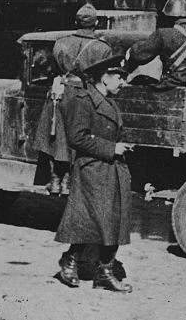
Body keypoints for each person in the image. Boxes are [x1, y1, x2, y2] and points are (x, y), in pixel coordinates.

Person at [53, 55, 134, 292]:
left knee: (113, 221)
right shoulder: (84, 100)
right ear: (104, 77)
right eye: (119, 77)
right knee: (90, 221)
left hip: (111, 167)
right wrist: (111, 148)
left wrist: (120, 146)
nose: (122, 82)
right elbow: (76, 137)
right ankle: (70, 261)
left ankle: (104, 273)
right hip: (92, 169)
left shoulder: (108, 101)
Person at [31, 3, 112, 195]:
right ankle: (68, 180)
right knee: (77, 137)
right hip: (85, 95)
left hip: (60, 93)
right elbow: (103, 77)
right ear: (97, 23)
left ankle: (55, 180)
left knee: (55, 136)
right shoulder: (102, 48)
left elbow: (52, 69)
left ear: (76, 22)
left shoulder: (61, 43)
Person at [128, 0, 186, 88]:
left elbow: (138, 55)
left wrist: (131, 51)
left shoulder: (164, 34)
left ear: (168, 18)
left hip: (171, 85)